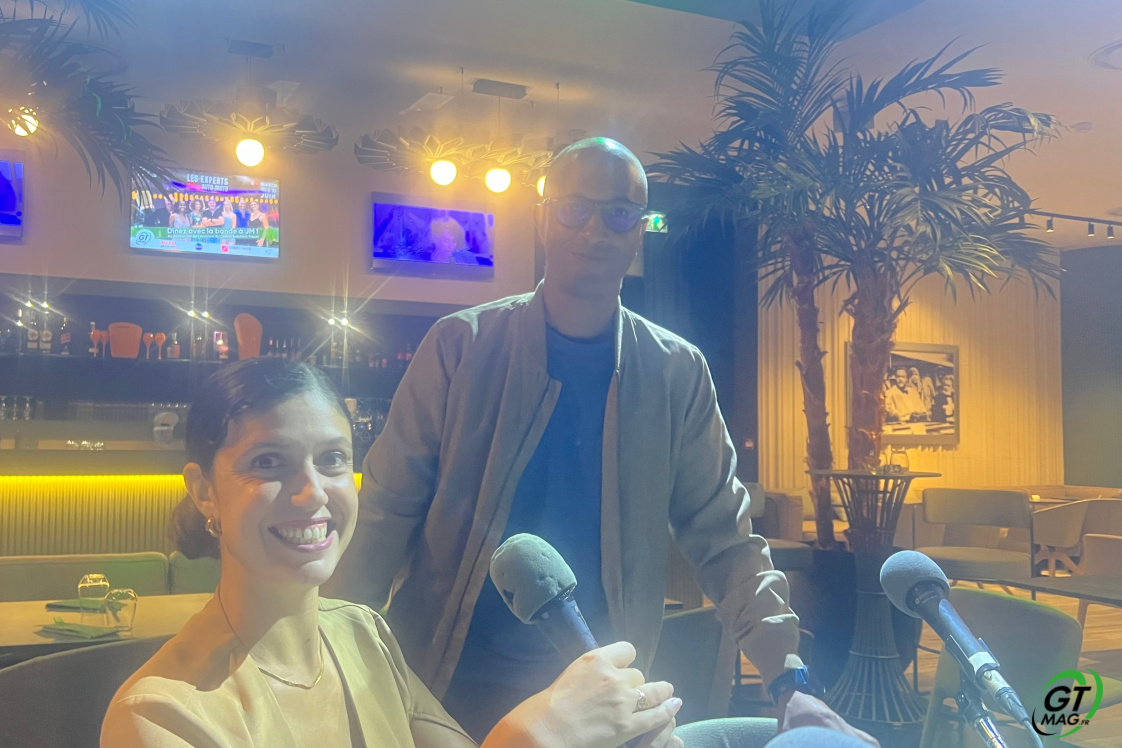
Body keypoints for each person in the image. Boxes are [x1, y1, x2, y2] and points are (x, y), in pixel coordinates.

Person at [324, 137, 877, 746]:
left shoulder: (676, 371)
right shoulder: (460, 347)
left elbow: (726, 539)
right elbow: (383, 515)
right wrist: (320, 657)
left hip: (601, 705)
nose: (594, 230)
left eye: (618, 213)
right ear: (543, 220)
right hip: (438, 692)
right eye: (574, 209)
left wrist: (788, 679)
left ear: (639, 231)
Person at [101, 358, 684, 748]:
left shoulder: (365, 636)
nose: (312, 493)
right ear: (204, 490)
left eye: (332, 459)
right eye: (268, 462)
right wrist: (537, 736)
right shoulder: (158, 717)